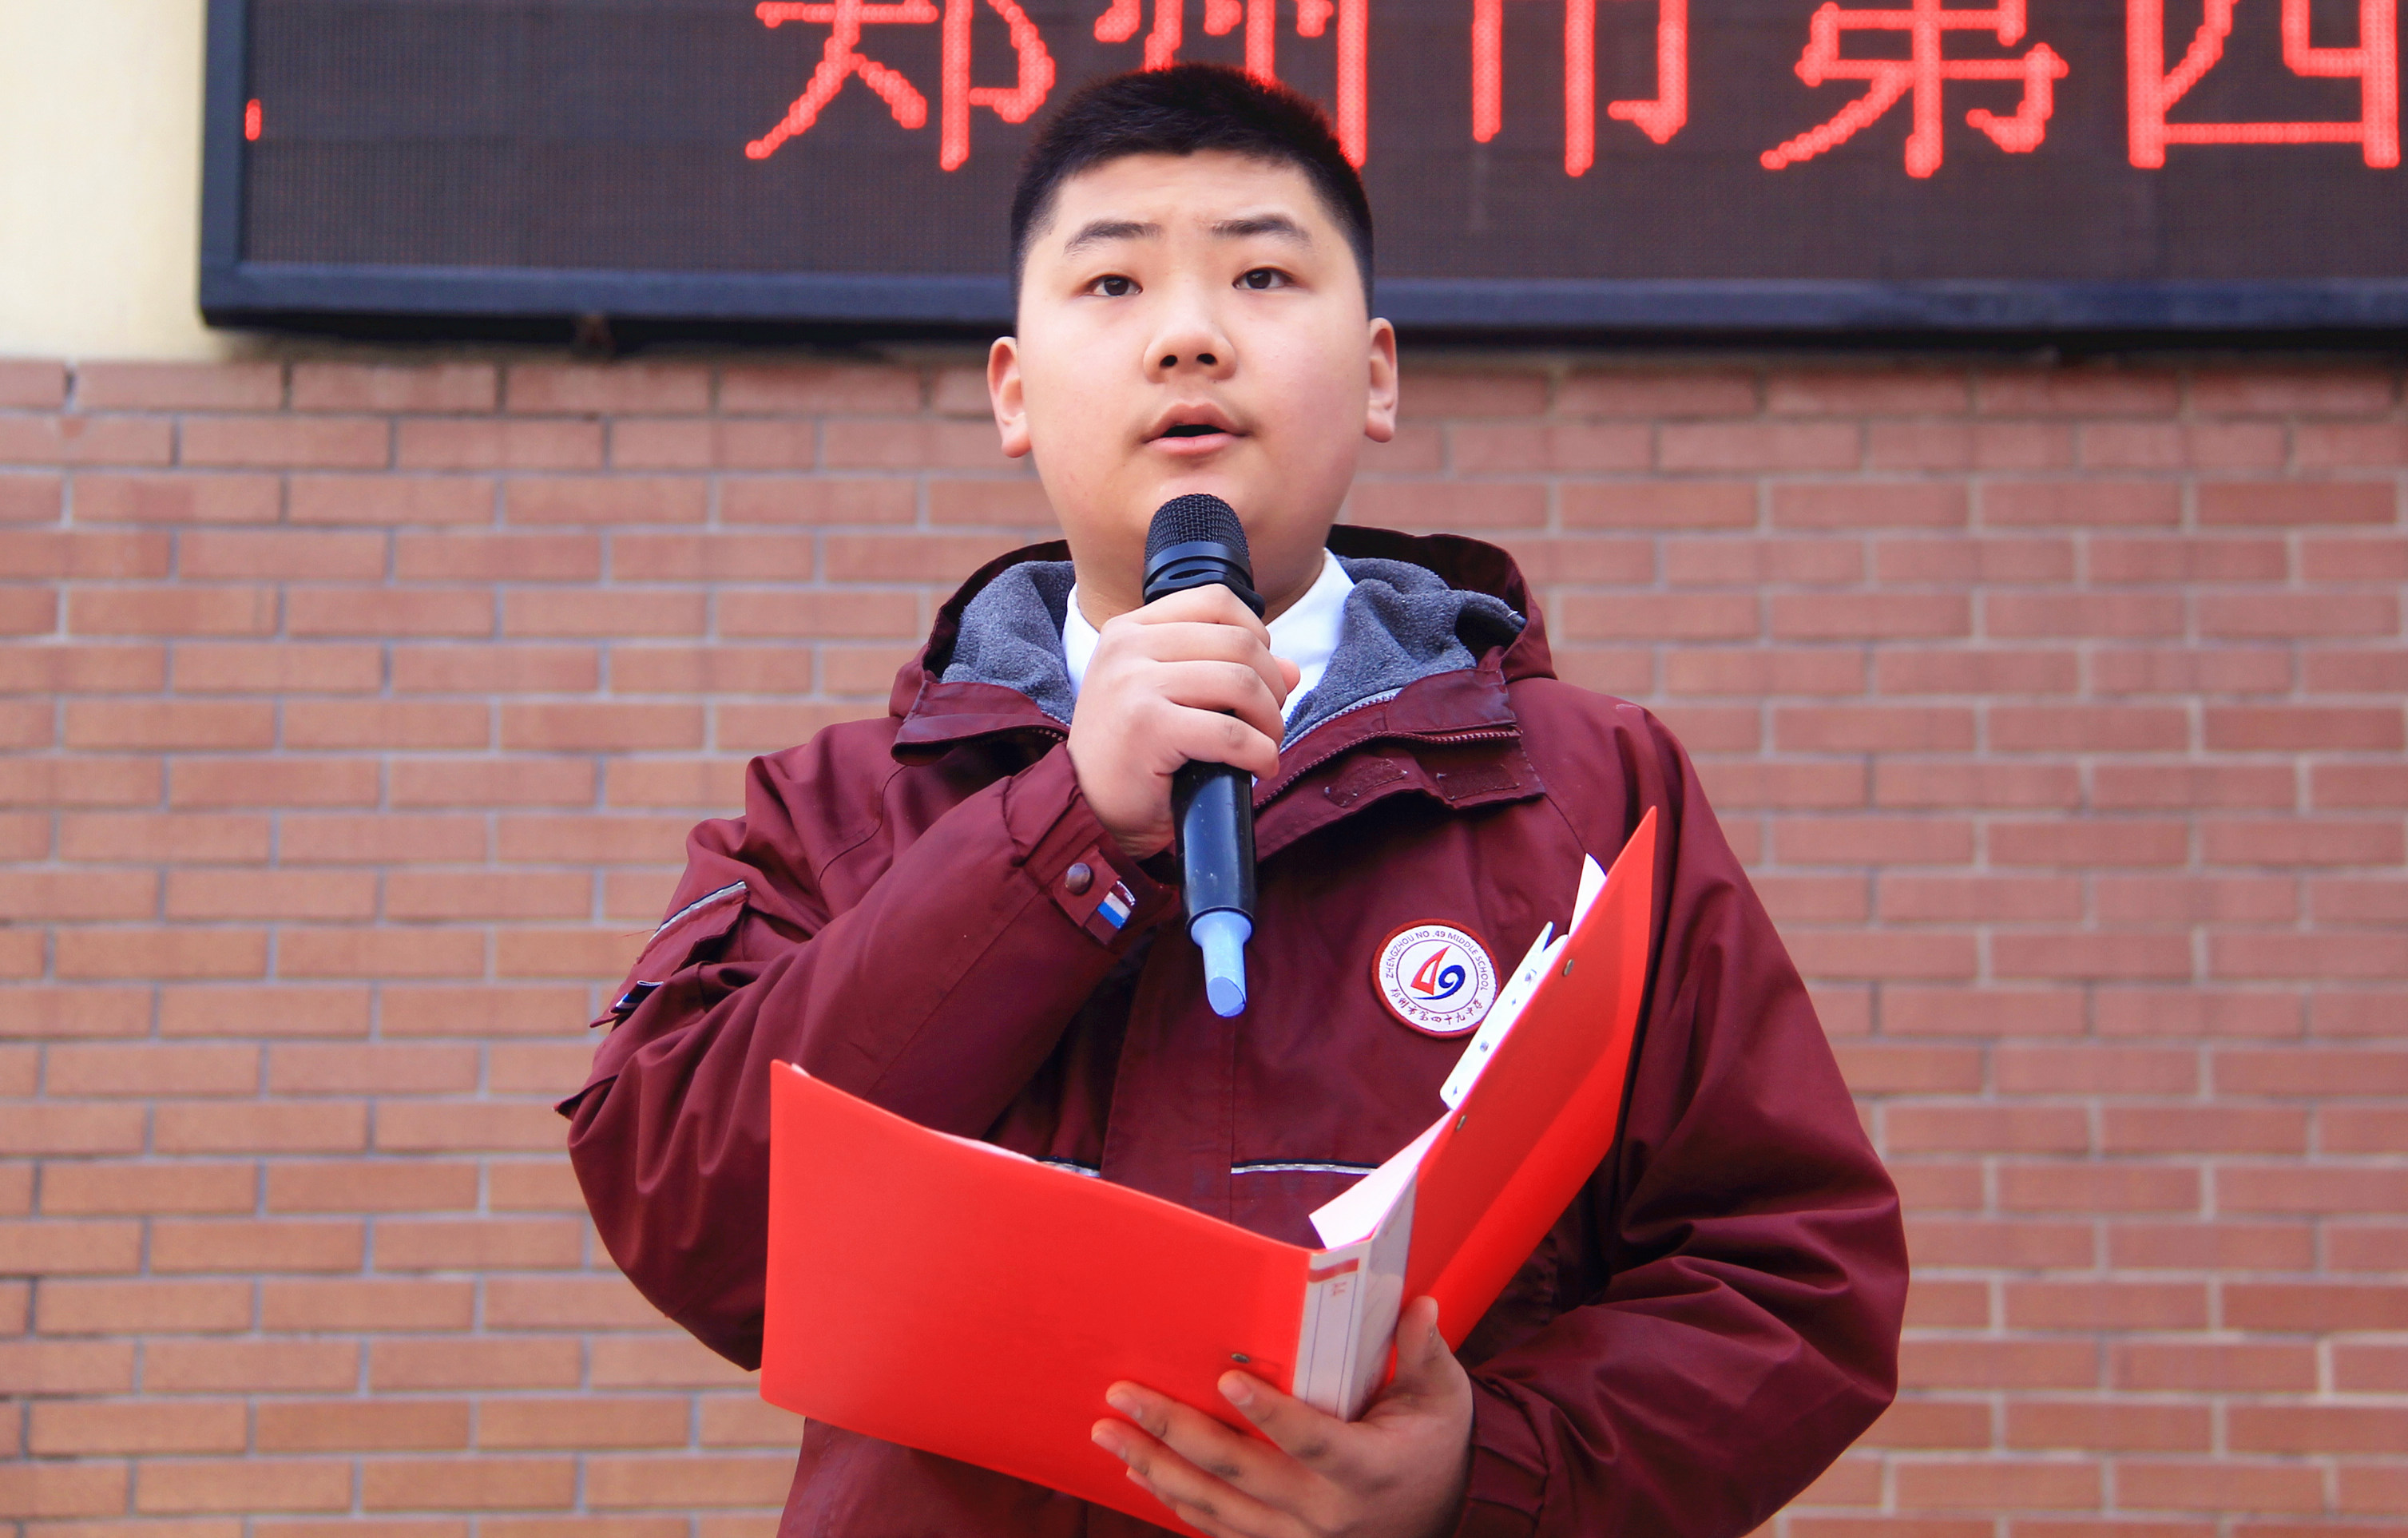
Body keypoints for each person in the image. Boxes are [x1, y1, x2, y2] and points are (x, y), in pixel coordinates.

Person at [561, 62, 1906, 1538]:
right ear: (1014, 392)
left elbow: (1793, 1275)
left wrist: (1479, 1472)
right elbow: (691, 1213)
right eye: (1114, 282)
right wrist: (1063, 828)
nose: (1189, 335)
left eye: (1263, 274)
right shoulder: (840, 808)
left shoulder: (1590, 785)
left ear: (1378, 375)